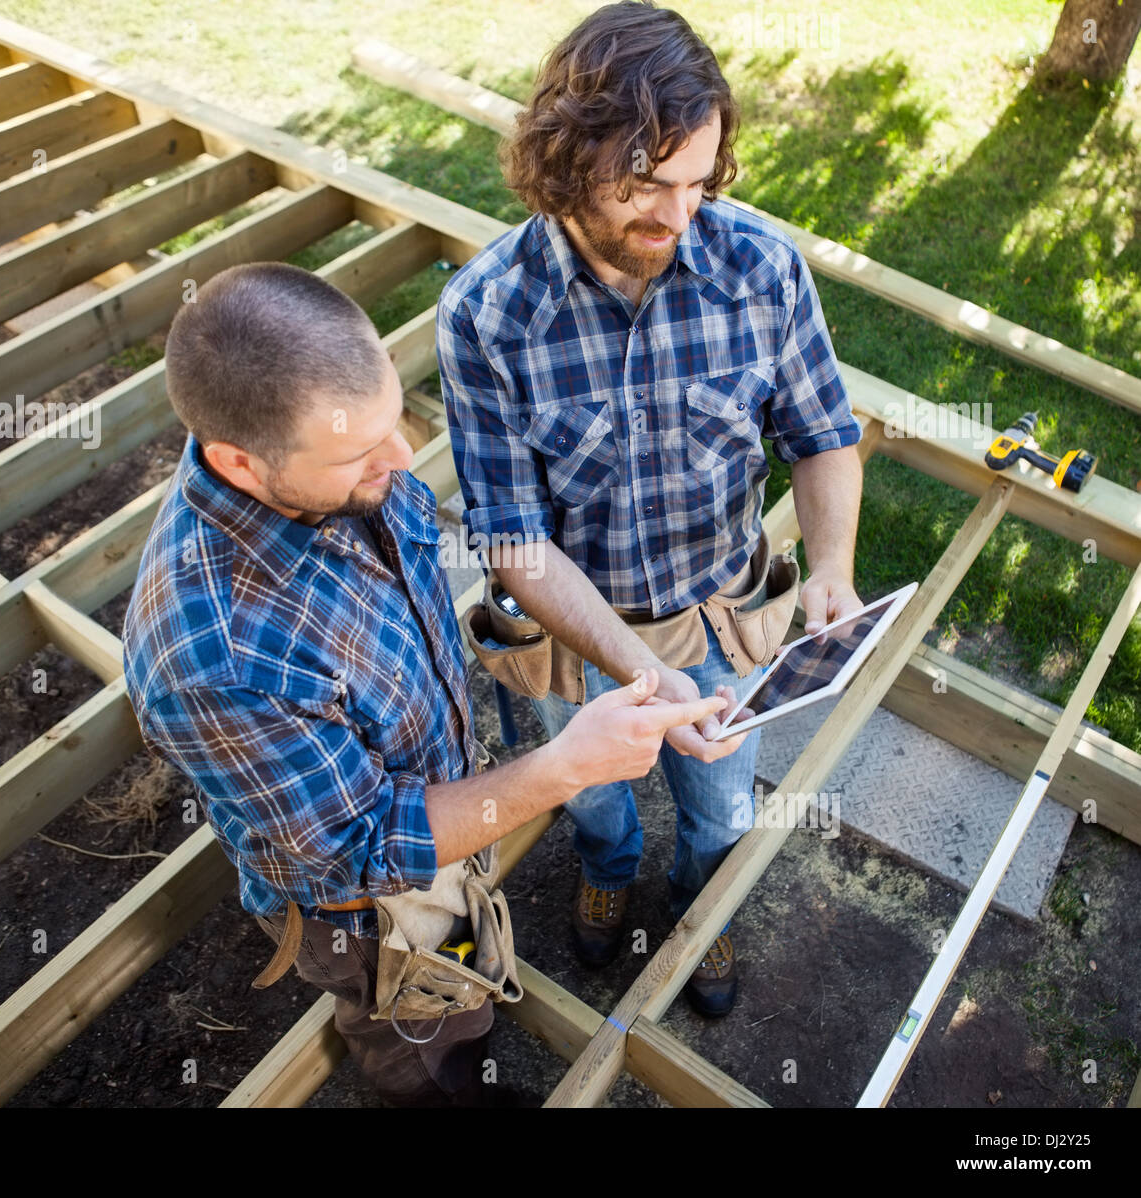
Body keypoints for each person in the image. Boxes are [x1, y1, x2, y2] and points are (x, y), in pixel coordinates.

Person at [121, 261, 745, 1108]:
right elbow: (365, 852)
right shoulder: (214, 655)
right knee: (426, 1044)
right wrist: (565, 767)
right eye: (358, 450)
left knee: (468, 975)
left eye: (393, 418)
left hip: (447, 811)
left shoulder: (324, 471)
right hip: (369, 914)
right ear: (240, 462)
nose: (403, 457)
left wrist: (640, 668)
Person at [436, 0, 864, 1018]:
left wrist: (835, 566)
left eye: (697, 182)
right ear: (563, 158)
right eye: (643, 185)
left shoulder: (760, 269)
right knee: (590, 794)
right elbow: (509, 539)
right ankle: (607, 869)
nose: (676, 218)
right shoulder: (488, 314)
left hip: (717, 615)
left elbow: (823, 436)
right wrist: (642, 679)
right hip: (570, 637)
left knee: (720, 805)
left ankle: (699, 918)